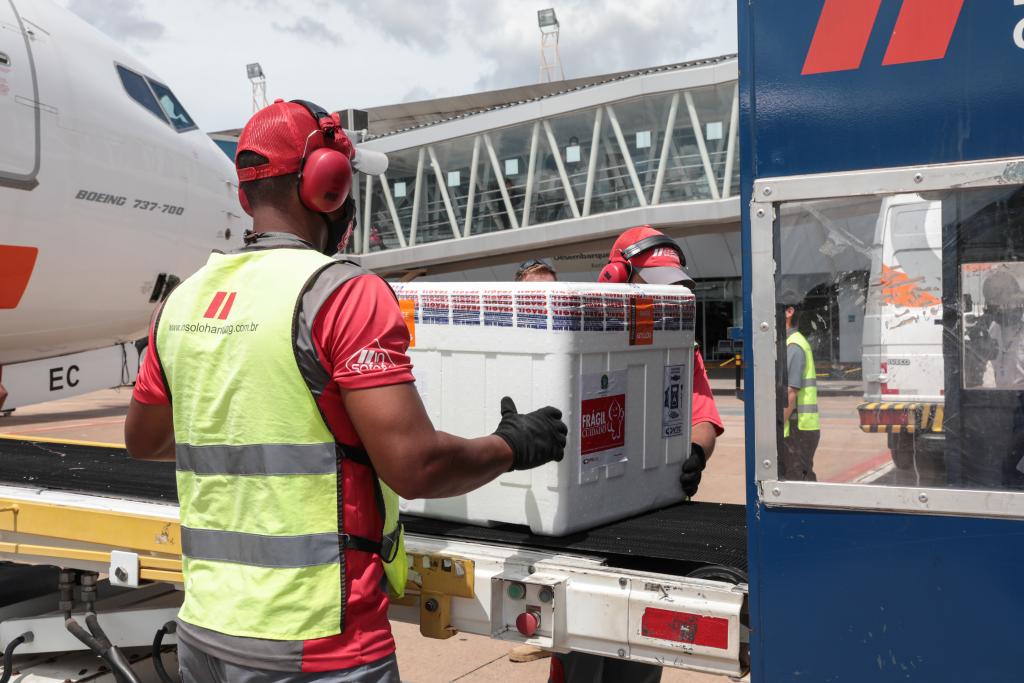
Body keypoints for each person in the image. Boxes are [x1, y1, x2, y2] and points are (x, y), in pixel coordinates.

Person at [124, 99, 568, 683]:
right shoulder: (339, 294)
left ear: (244, 197)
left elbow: (145, 439)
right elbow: (415, 468)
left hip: (206, 632)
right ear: (326, 188)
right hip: (317, 645)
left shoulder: (183, 301)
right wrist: (514, 443)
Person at [549, 225, 724, 683]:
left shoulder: (678, 344)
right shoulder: (574, 339)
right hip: (589, 528)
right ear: (615, 278)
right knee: (583, 661)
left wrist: (696, 452)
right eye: (654, 286)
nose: (667, 300)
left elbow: (703, 414)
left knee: (644, 662)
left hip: (653, 521)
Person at [780, 290, 820, 481]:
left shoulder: (793, 346)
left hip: (798, 430)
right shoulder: (789, 343)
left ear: (789, 312)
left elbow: (790, 395)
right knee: (803, 479)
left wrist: (775, 428)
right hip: (800, 428)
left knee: (797, 482)